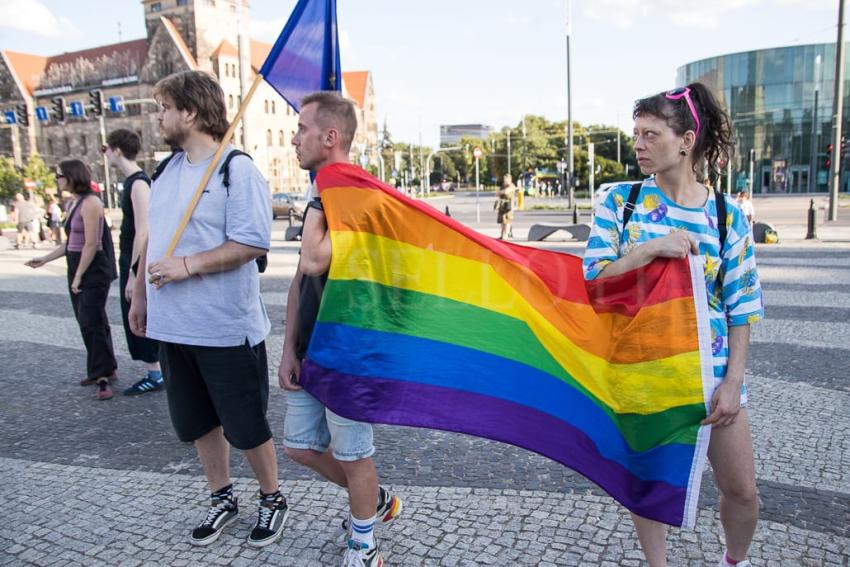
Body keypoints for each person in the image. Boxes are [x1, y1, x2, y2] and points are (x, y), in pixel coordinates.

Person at [583, 83, 763, 567]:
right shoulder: (620, 203)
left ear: (685, 140)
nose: (638, 144)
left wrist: (733, 383)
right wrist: (646, 250)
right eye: (635, 133)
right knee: (651, 489)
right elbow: (592, 281)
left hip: (713, 376)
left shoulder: (726, 216)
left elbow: (741, 305)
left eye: (650, 134)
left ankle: (735, 560)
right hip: (647, 373)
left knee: (743, 492)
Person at [126, 70, 288, 548]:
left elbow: (252, 242)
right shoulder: (167, 171)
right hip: (174, 326)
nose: (158, 117)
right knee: (196, 422)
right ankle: (222, 497)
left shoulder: (236, 169)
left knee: (245, 425)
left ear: (190, 112)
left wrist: (188, 265)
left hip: (224, 328)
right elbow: (152, 238)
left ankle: (272, 497)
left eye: (164, 108)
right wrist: (139, 292)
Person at [278, 91, 403, 567]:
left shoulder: (355, 194)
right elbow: (300, 278)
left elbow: (314, 256)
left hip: (349, 352)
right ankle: (373, 500)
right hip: (312, 346)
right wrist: (289, 347)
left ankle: (365, 542)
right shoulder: (329, 191)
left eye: (302, 128)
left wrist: (316, 193)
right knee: (300, 446)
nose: (294, 138)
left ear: (330, 137)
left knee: (353, 455)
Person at [26, 160, 118, 400]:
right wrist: (45, 259)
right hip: (77, 263)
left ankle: (102, 377)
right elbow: (70, 242)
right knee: (89, 318)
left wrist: (78, 276)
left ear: (71, 176)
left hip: (93, 268)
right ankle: (106, 367)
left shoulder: (92, 202)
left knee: (90, 320)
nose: (56, 179)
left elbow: (91, 243)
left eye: (59, 175)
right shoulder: (73, 202)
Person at [103, 129, 164, 396]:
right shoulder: (132, 182)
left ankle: (156, 372)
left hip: (135, 257)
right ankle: (155, 370)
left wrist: (133, 274)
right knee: (134, 316)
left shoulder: (139, 183)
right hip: (129, 256)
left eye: (105, 149)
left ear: (116, 149)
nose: (104, 155)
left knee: (139, 315)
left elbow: (144, 230)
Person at [494, 174, 516, 240]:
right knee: (502, 220)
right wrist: (501, 192)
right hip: (502, 205)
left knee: (507, 221)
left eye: (506, 180)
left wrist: (501, 192)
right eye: (504, 180)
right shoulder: (503, 186)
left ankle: (506, 235)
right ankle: (502, 234)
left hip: (508, 205)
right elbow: (497, 193)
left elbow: (506, 192)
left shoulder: (512, 186)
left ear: (510, 180)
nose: (505, 182)